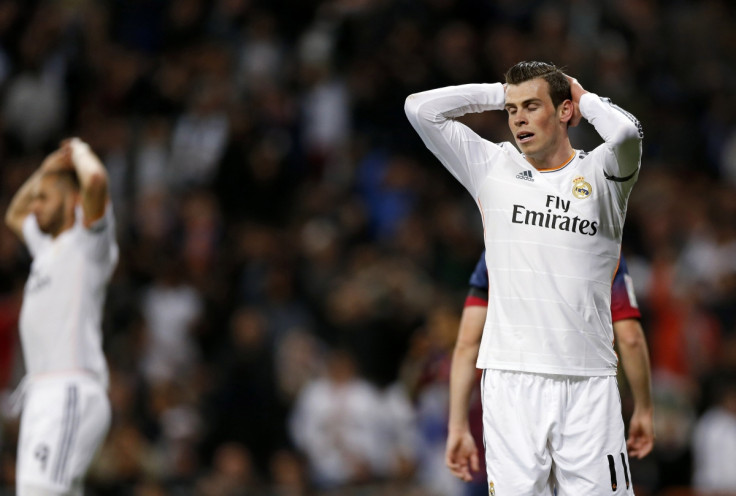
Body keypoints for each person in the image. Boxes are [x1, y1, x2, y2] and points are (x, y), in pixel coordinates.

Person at [405, 61, 644, 494]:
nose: (518, 118)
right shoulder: (492, 167)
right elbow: (420, 108)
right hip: (510, 380)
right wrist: (500, 93)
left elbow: (627, 133)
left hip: (587, 382)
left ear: (565, 112)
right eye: (512, 110)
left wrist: (583, 95)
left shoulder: (604, 175)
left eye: (532, 106)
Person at [448, 251, 654, 493]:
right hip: (585, 392)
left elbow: (467, 344)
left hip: (515, 393)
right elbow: (630, 337)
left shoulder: (500, 245)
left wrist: (457, 426)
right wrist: (644, 408)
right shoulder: (600, 244)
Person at [5, 138, 118, 496]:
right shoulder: (45, 249)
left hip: (70, 388)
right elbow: (13, 214)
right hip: (42, 392)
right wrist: (46, 171)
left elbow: (96, 180)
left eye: (45, 197)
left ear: (71, 201)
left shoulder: (90, 244)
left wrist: (79, 151)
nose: (35, 206)